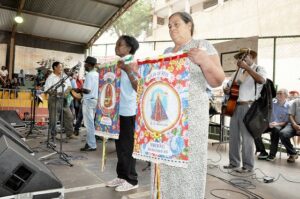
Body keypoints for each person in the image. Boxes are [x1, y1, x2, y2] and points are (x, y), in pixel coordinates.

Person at [148, 12, 224, 199]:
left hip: (192, 118)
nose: (172, 28)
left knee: (189, 164)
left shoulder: (202, 46)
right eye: (169, 26)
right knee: (166, 162)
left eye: (176, 24)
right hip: (167, 119)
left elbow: (218, 80)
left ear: (189, 25)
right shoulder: (166, 53)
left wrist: (204, 61)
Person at [223, 48, 267, 172]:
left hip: (248, 107)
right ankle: (234, 162)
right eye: (240, 57)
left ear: (251, 57)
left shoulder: (259, 69)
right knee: (234, 136)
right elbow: (229, 86)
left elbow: (261, 80)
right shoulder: (237, 72)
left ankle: (248, 166)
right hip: (234, 105)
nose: (241, 59)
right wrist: (226, 90)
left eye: (244, 56)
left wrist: (247, 68)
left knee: (247, 138)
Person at [106, 35, 140, 192]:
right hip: (117, 110)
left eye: (120, 44)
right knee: (119, 146)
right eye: (117, 44)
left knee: (128, 146)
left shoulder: (133, 63)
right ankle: (121, 175)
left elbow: (138, 87)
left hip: (129, 110)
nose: (116, 47)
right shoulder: (117, 64)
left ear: (129, 48)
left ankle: (132, 179)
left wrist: (127, 70)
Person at [254, 88, 290, 161]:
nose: (278, 95)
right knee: (255, 130)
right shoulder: (273, 103)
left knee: (275, 131)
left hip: (280, 125)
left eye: (280, 93)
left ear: (286, 96)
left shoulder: (289, 106)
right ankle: (262, 152)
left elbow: (286, 122)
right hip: (269, 124)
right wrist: (267, 122)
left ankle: (272, 155)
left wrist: (276, 124)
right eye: (277, 93)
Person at [44, 62, 74, 143]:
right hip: (54, 99)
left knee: (69, 116)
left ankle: (70, 133)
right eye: (60, 67)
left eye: (62, 67)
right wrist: (57, 93)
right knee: (54, 118)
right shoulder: (50, 78)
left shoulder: (64, 76)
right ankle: (53, 135)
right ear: (55, 67)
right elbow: (47, 90)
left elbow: (69, 86)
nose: (62, 69)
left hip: (63, 99)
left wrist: (66, 93)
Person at [77, 56, 99, 151]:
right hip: (95, 100)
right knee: (91, 123)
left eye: (86, 63)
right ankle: (90, 143)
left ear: (89, 65)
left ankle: (91, 145)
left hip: (89, 100)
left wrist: (79, 89)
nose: (84, 65)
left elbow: (87, 90)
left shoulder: (90, 75)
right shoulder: (97, 74)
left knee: (89, 124)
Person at [279, 98, 300, 163]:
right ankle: (293, 153)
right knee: (283, 133)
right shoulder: (296, 102)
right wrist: (294, 124)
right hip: (294, 124)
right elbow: (291, 115)